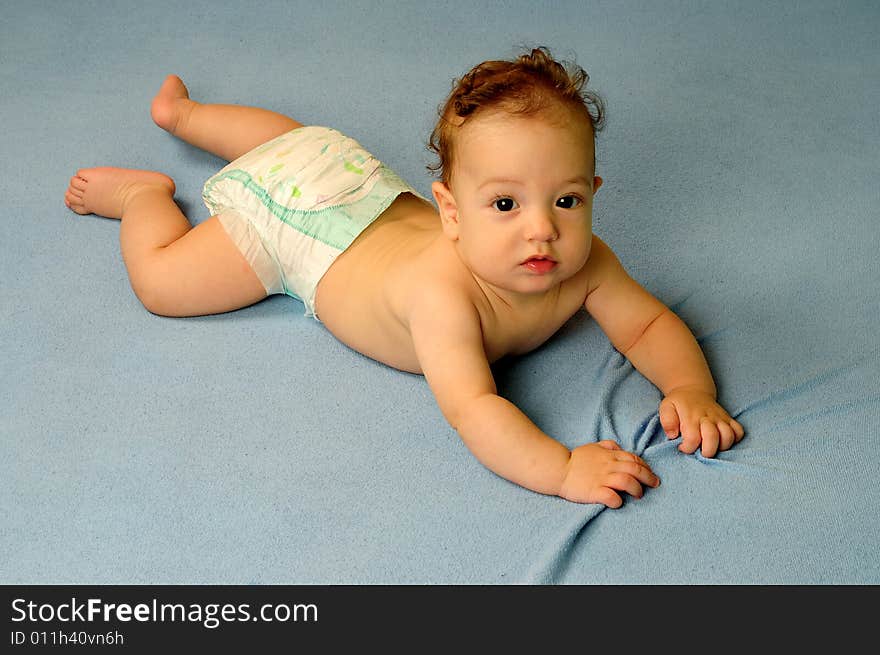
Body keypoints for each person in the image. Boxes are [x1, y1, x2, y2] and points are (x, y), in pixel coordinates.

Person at [64, 46, 744, 507]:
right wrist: (564, 467)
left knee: (296, 142)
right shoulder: (442, 298)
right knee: (162, 283)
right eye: (504, 204)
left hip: (347, 176)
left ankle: (186, 117)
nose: (542, 229)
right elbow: (475, 409)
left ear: (592, 192)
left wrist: (690, 386)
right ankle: (142, 198)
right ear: (450, 210)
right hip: (302, 233)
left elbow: (648, 322)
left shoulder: (585, 258)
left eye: (565, 200)